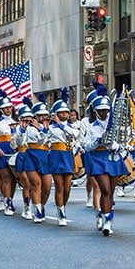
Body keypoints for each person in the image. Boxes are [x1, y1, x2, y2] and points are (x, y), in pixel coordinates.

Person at [80, 94, 130, 236]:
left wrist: (118, 146)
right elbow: (87, 146)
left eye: (106, 110)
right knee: (105, 189)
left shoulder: (115, 126)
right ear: (95, 111)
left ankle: (106, 218)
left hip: (113, 158)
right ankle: (105, 217)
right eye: (101, 110)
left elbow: (124, 140)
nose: (104, 113)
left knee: (111, 192)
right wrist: (98, 141)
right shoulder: (91, 127)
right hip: (98, 159)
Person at [44, 92, 78, 225]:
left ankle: (62, 205)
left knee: (68, 187)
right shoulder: (51, 128)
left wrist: (62, 125)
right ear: (56, 114)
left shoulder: (71, 127)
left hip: (68, 155)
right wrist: (44, 130)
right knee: (59, 186)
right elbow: (43, 141)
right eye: (62, 113)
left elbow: (74, 135)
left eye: (66, 112)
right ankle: (61, 212)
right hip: (57, 155)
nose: (65, 115)